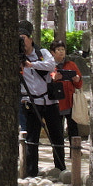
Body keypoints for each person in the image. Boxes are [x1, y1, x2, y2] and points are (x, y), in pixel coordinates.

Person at [19, 32, 63, 178]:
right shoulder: (17, 58)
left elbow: (51, 65)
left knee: (57, 134)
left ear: (31, 39)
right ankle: (31, 171)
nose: (21, 42)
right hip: (31, 101)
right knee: (32, 137)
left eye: (23, 38)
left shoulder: (42, 52)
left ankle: (60, 168)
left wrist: (32, 65)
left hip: (49, 101)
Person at [52, 41, 84, 140]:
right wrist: (53, 79)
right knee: (57, 130)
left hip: (70, 101)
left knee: (73, 129)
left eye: (63, 49)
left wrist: (77, 80)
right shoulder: (49, 65)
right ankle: (58, 154)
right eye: (58, 50)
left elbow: (79, 84)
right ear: (52, 52)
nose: (61, 52)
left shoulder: (71, 64)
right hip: (56, 102)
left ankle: (75, 152)